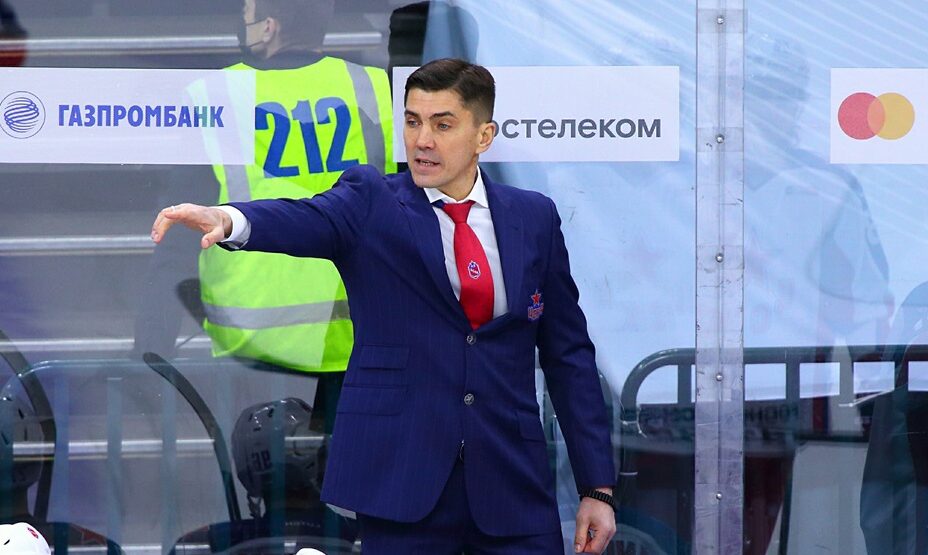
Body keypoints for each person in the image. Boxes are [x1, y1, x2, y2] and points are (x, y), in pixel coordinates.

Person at [150, 58, 616, 554]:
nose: (422, 140)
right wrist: (228, 219)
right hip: (403, 487)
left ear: (483, 136)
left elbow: (568, 357)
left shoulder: (534, 216)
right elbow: (306, 218)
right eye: (412, 121)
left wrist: (597, 487)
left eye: (442, 125)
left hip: (512, 489)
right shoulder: (371, 201)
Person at [133, 0, 396, 435]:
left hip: (252, 352)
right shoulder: (374, 87)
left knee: (265, 466)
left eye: (247, 16)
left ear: (269, 27)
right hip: (361, 341)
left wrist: (150, 349)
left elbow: (179, 237)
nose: (243, 24)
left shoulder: (215, 96)